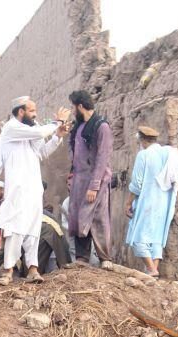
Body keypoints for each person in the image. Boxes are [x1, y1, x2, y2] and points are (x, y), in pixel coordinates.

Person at [0, 95, 71, 285]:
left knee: (33, 227)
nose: (35, 115)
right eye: (32, 111)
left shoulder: (31, 130)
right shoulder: (11, 128)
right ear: (21, 112)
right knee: (15, 228)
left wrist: (58, 137)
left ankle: (33, 269)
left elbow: (42, 152)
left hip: (33, 188)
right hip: (17, 188)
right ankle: (8, 270)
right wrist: (58, 122)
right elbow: (39, 134)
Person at [125, 126, 178, 277]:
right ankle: (153, 270)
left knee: (139, 237)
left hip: (148, 201)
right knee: (156, 238)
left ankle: (151, 269)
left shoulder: (144, 155)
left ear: (142, 140)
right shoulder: (168, 153)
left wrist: (128, 202)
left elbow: (137, 184)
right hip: (164, 203)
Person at [67, 90, 113, 266]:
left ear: (80, 106)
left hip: (96, 180)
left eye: (73, 107)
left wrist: (94, 186)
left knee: (98, 218)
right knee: (78, 217)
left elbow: (102, 158)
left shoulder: (101, 127)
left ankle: (105, 258)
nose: (72, 111)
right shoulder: (78, 127)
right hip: (79, 179)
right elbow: (75, 153)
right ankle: (82, 258)